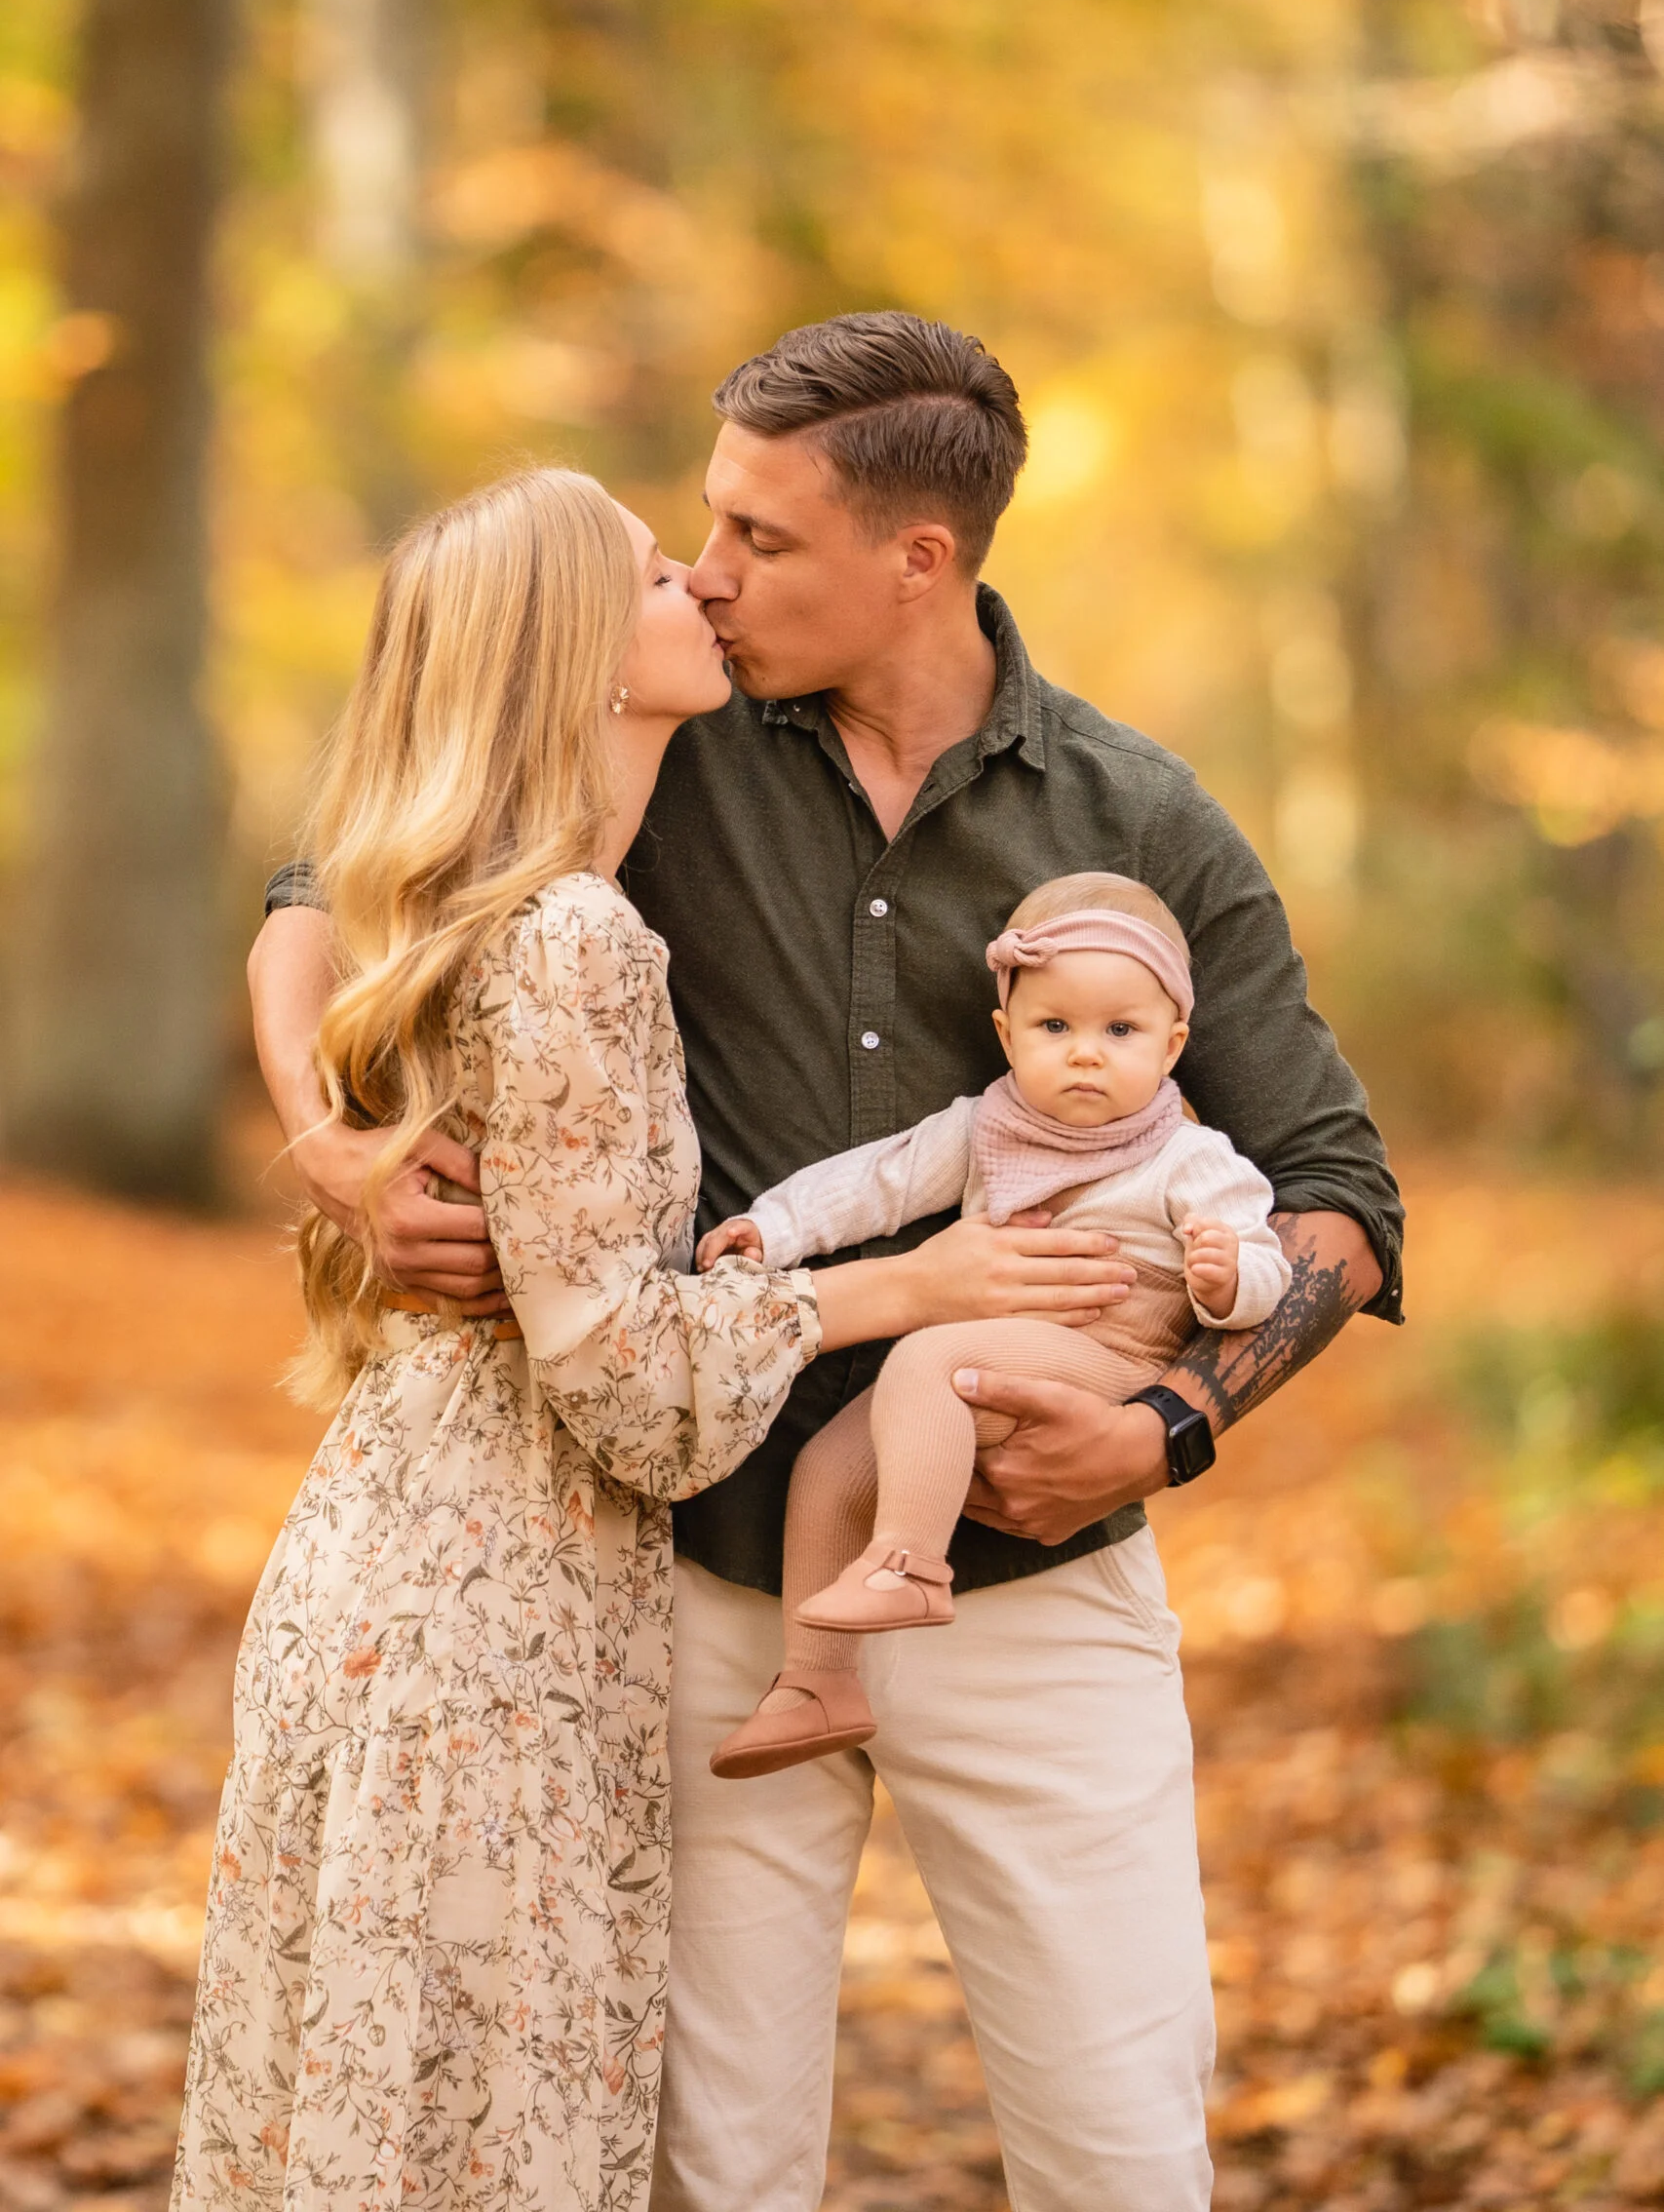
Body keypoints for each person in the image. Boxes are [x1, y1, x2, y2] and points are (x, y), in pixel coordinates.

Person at [252, 313, 1404, 2212]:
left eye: (758, 538)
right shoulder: (669, 737)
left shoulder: (1134, 817)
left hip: (1034, 1594)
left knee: (1122, 2156)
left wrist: (1171, 1422)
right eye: (702, 529)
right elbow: (328, 885)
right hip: (699, 1588)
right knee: (713, 2168)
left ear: (918, 558)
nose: (705, 571)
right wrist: (336, 1146)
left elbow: (1338, 1192)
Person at [173, 467, 1044, 2212]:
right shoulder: (573, 937)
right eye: (661, 573)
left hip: (403, 1573)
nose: (704, 591)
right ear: (580, 654)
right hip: (489, 1622)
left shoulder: (500, 900)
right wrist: (909, 1285)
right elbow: (632, 1396)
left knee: (376, 2122)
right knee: (476, 2140)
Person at [694, 871, 1291, 1776]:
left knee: (932, 1358)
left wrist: (1225, 1278)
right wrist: (769, 1229)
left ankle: (910, 1564)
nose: (1085, 1054)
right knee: (830, 1465)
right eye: (1055, 1028)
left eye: (1118, 1031)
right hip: (985, 1351)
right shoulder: (987, 1127)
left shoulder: (1187, 1156)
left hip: (1112, 1353)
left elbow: (1263, 1267)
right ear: (1006, 1036)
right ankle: (815, 1686)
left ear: (1172, 1047)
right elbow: (876, 1182)